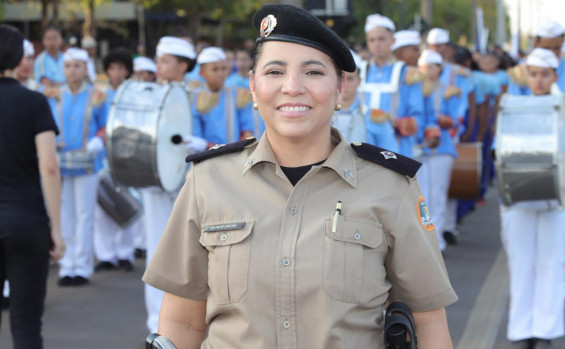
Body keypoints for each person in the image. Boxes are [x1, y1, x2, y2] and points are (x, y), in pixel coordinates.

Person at [143, 4, 457, 348]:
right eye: (275, 71)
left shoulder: (391, 186)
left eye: (313, 72)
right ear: (253, 85)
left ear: (340, 87)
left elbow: (427, 322)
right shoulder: (208, 180)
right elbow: (182, 322)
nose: (292, 87)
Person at [0, 24, 65, 349]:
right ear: (18, 58)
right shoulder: (34, 102)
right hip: (27, 222)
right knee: (26, 324)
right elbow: (49, 168)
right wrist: (56, 228)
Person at [499, 48, 565, 349]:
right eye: (533, 74)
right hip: (518, 193)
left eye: (544, 74)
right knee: (521, 261)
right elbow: (499, 145)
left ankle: (546, 330)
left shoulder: (562, 105)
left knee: (553, 262)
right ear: (527, 75)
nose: (538, 80)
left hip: (558, 196)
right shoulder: (511, 103)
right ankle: (522, 330)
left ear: (555, 75)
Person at [143, 35, 203, 334]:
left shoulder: (199, 95)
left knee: (191, 252)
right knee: (157, 251)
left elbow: (212, 133)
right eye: (158, 60)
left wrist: (198, 143)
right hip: (156, 179)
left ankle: (189, 321)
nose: (159, 66)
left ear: (182, 65)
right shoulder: (150, 94)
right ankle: (157, 321)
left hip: (191, 179)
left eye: (165, 61)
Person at [46, 47, 108, 287]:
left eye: (77, 66)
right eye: (68, 66)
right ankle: (66, 264)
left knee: (85, 214)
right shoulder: (53, 94)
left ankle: (81, 266)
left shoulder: (98, 96)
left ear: (85, 69)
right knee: (63, 214)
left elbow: (105, 126)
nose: (72, 71)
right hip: (60, 162)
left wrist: (97, 141)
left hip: (87, 162)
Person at [93, 48, 137, 272]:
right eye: (113, 68)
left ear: (127, 71)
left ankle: (125, 253)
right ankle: (106, 254)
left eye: (121, 68)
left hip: (127, 155)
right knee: (103, 206)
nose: (117, 72)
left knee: (126, 202)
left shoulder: (134, 93)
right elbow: (98, 124)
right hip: (103, 157)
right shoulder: (101, 96)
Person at [362, 14, 425, 158]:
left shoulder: (407, 73)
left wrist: (392, 123)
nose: (376, 44)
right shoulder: (362, 71)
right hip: (364, 147)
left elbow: (418, 118)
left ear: (393, 41)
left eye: (381, 39)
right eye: (372, 40)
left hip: (398, 148)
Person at [417, 50, 459, 252]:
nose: (428, 71)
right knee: (422, 195)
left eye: (432, 67)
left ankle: (438, 239)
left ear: (440, 69)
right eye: (424, 67)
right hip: (420, 147)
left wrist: (443, 121)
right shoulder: (416, 88)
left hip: (442, 148)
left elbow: (457, 120)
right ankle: (424, 239)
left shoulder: (449, 90)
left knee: (438, 193)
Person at [192, 47, 255, 146]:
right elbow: (195, 137)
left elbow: (248, 129)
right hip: (204, 157)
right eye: (215, 69)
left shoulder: (238, 95)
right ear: (202, 73)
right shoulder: (194, 98)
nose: (221, 73)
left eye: (223, 68)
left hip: (233, 156)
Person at [508, 20, 565, 95]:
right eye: (546, 48)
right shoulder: (521, 70)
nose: (552, 53)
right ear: (536, 43)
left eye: (557, 48)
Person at [331, 50, 367, 143]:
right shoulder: (322, 114)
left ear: (359, 81)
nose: (344, 84)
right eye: (340, 79)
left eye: (350, 79)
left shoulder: (372, 117)